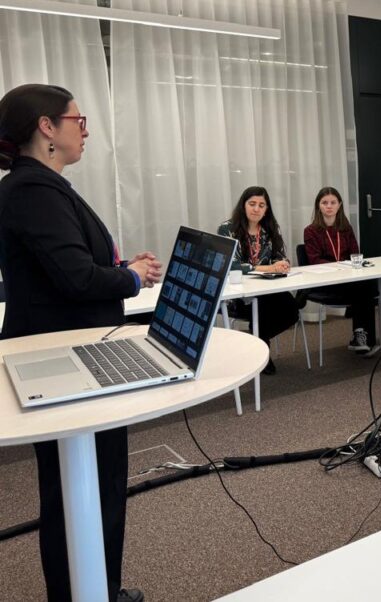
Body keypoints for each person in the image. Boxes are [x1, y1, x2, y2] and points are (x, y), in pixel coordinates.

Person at [0, 84, 159, 602]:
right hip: (68, 363)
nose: (86, 131)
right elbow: (76, 279)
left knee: (76, 489)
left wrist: (120, 268)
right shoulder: (34, 190)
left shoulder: (37, 187)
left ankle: (92, 591)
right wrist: (130, 277)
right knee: (88, 488)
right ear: (47, 127)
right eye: (78, 120)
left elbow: (65, 268)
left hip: (68, 357)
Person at [217, 186, 299, 374]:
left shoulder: (270, 229)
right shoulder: (227, 229)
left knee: (291, 310)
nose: (256, 209)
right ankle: (262, 352)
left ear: (266, 209)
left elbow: (279, 256)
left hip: (267, 288)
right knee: (262, 308)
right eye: (252, 204)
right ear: (243, 205)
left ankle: (258, 342)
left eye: (261, 205)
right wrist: (267, 268)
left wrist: (282, 264)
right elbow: (231, 266)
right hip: (238, 293)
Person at [302, 186, 379, 354]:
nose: (329, 206)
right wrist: (340, 267)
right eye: (324, 203)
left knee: (366, 284)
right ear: (318, 206)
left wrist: (349, 267)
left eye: (333, 202)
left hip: (348, 280)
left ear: (339, 205)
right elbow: (315, 261)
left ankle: (361, 336)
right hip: (325, 282)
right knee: (364, 289)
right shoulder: (311, 231)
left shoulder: (345, 228)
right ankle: (364, 338)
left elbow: (355, 253)